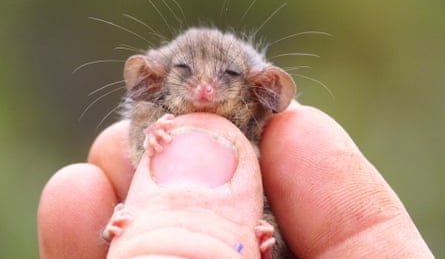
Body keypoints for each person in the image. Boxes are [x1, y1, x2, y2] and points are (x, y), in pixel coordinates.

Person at [38, 102, 434, 258]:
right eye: (186, 71)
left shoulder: (264, 145)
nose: (206, 90)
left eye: (226, 75)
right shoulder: (151, 125)